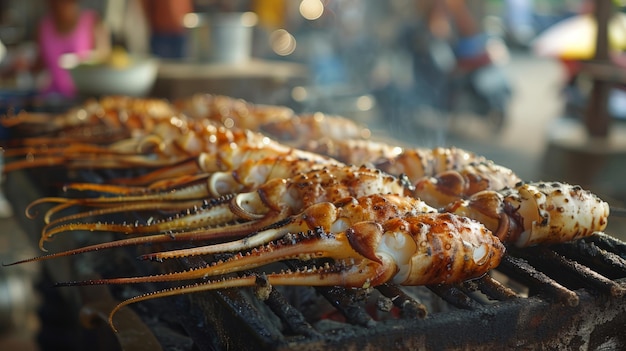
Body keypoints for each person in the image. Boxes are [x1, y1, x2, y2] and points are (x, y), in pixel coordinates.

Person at [35, 0, 111, 98]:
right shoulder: (44, 27)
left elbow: (106, 61)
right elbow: (40, 63)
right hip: (54, 98)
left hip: (86, 96)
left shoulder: (92, 22)